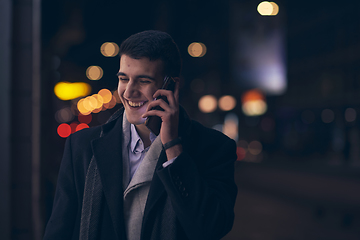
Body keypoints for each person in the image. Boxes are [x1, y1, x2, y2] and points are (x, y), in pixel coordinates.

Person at [43, 30, 237, 240]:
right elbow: (59, 230)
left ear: (171, 85)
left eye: (143, 81)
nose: (128, 92)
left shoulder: (214, 147)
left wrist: (173, 148)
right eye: (124, 79)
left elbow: (211, 228)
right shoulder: (82, 145)